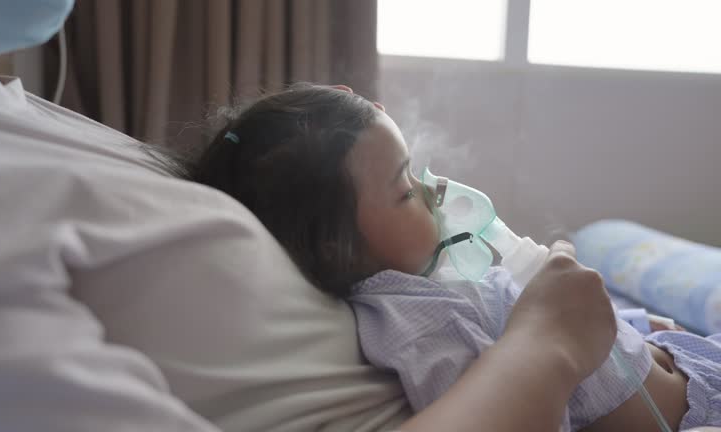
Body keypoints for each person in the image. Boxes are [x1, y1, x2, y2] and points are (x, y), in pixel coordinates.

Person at [190, 83, 721, 431]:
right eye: (403, 189)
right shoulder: (417, 324)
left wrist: (630, 323)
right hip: (689, 412)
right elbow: (526, 405)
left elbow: (515, 314)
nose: (434, 191)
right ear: (337, 245)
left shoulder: (426, 277)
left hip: (680, 357)